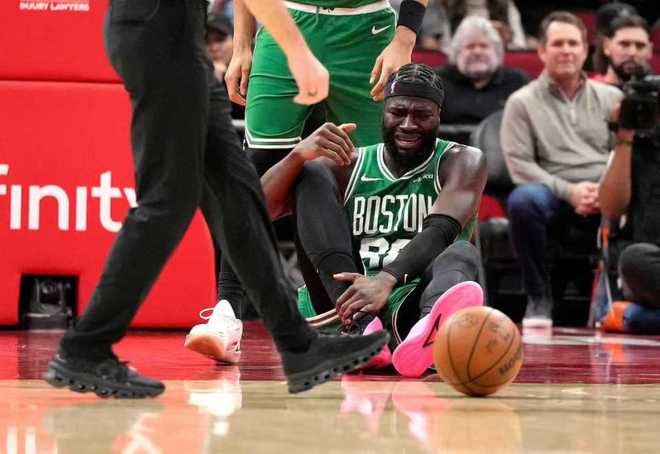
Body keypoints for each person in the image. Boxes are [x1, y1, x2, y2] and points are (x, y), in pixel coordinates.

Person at [43, 0, 389, 399]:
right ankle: (85, 347)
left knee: (238, 198)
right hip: (160, 31)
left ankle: (299, 347)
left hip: (178, 37)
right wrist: (297, 52)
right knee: (166, 202)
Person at [186, 0, 432, 359]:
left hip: (366, 32)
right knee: (257, 170)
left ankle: (377, 312)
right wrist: (242, 45)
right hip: (285, 22)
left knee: (372, 177)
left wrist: (404, 39)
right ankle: (227, 311)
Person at [261, 63, 488, 377]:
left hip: (410, 300)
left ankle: (429, 335)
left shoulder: (463, 160)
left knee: (462, 252)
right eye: (398, 112)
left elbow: (441, 229)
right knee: (310, 172)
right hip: (342, 301)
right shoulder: (347, 164)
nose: (408, 124)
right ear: (383, 112)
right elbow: (258, 211)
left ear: (439, 116)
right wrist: (296, 156)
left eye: (422, 115)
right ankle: (360, 328)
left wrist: (385, 279)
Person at [500, 11, 622, 328]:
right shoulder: (521, 102)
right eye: (558, 43)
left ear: (585, 50)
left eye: (573, 43)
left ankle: (627, 298)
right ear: (541, 50)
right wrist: (570, 192)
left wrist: (607, 189)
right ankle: (538, 298)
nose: (566, 50)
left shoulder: (613, 98)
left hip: (606, 188)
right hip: (552, 194)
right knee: (523, 200)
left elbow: (625, 156)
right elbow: (520, 166)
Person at [596, 83, 660, 335]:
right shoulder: (635, 145)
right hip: (652, 262)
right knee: (635, 258)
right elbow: (611, 209)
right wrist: (623, 137)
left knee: (634, 317)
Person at [435, 16, 528, 126]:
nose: (477, 52)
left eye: (484, 46)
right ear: (456, 53)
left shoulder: (517, 81)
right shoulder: (437, 81)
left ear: (497, 52)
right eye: (470, 46)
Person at [591, 14, 653, 86]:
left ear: (649, 50)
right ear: (606, 46)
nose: (632, 52)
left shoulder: (656, 91)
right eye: (624, 44)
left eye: (640, 46)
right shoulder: (589, 91)